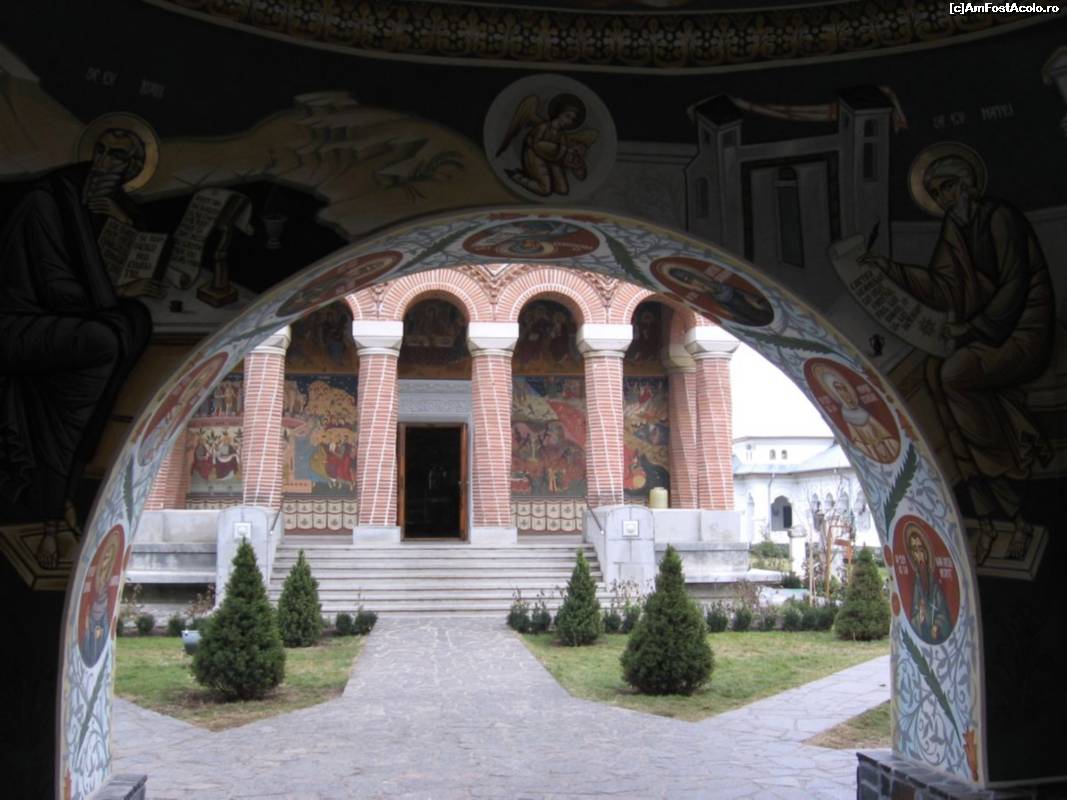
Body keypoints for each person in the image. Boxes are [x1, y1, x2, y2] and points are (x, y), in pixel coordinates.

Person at [860, 145, 1055, 559]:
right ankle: (983, 512)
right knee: (933, 376)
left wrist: (974, 328)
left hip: (1023, 330)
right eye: (936, 192)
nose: (945, 197)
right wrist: (889, 269)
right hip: (985, 332)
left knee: (954, 375)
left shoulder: (1000, 218)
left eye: (948, 187)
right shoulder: (955, 225)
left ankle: (1011, 483)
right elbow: (942, 286)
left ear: (967, 184)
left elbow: (1015, 287)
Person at [1, 126, 158, 526]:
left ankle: (67, 479)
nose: (104, 163)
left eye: (117, 156)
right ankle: (48, 487)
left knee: (136, 322)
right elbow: (57, 289)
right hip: (16, 324)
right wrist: (119, 291)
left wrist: (119, 220)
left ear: (133, 166)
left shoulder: (104, 202)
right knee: (103, 341)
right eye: (100, 151)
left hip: (55, 317)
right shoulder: (46, 201)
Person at [904, 523, 953, 644]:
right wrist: (920, 616)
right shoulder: (917, 584)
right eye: (915, 551)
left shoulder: (935, 584)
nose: (919, 555)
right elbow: (913, 618)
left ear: (926, 552)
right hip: (923, 635)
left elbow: (943, 612)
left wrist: (937, 626)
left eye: (921, 550)